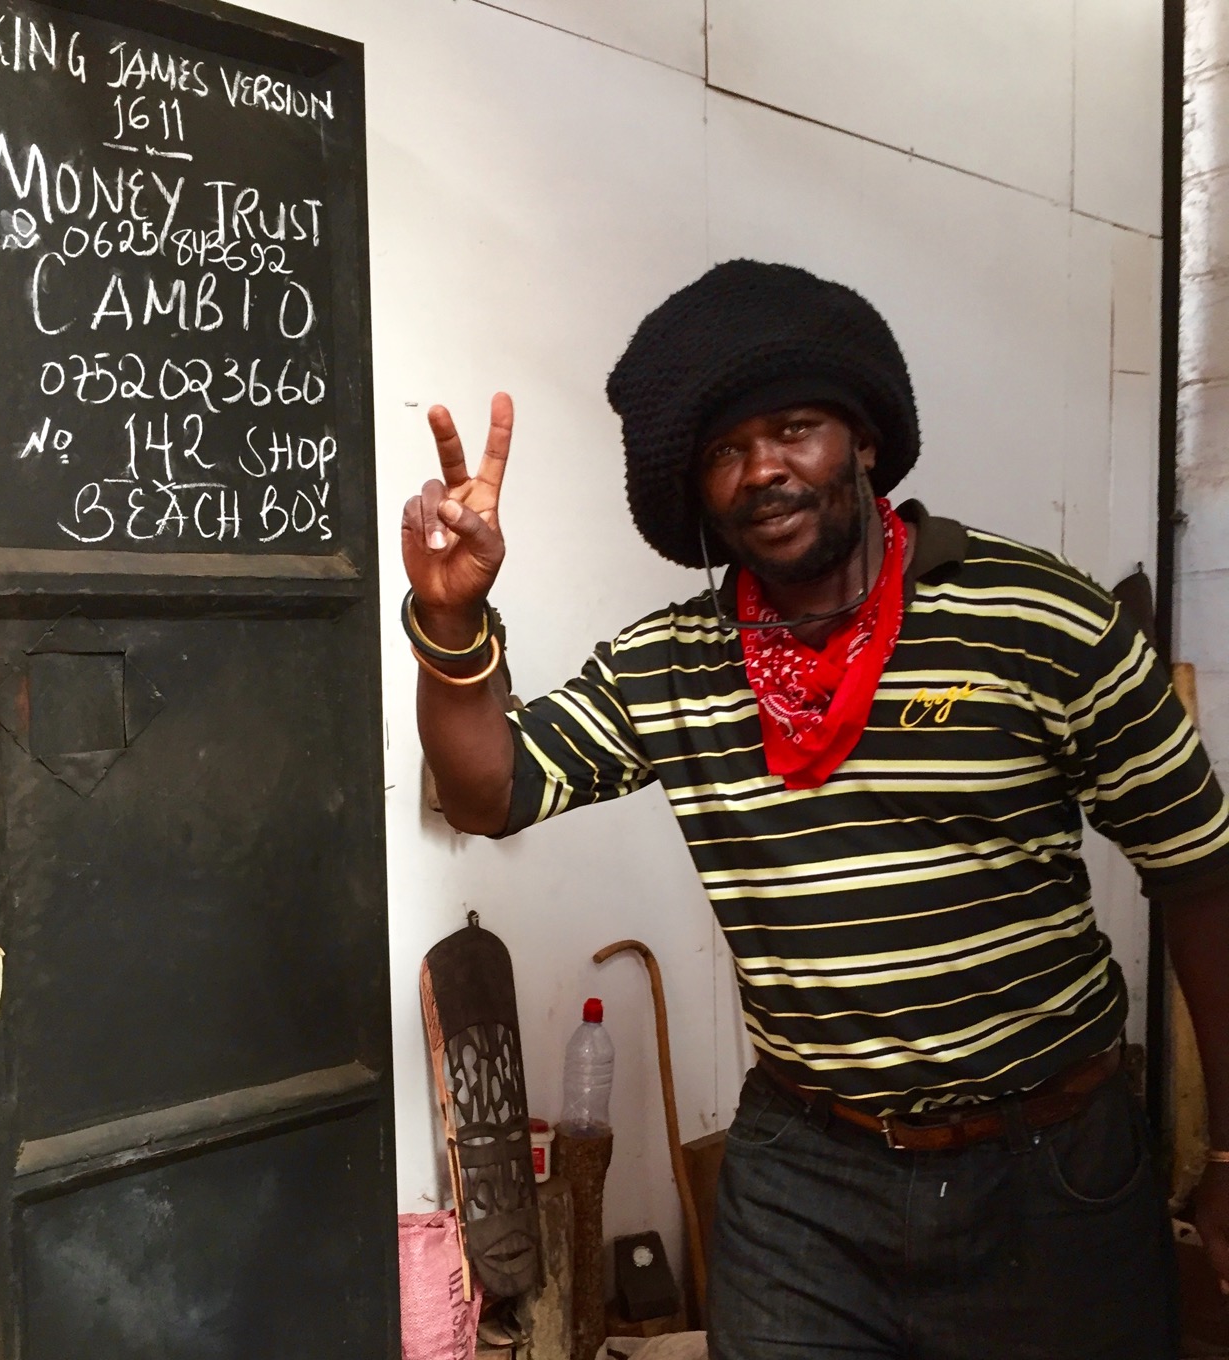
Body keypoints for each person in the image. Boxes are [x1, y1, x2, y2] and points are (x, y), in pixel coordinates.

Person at [401, 260, 1229, 1358]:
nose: (761, 471)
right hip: (806, 1184)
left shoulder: (1039, 620)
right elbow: (488, 788)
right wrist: (453, 624)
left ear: (865, 439)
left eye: (792, 429)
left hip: (1049, 1168)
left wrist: (1228, 1154)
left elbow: (1201, 876)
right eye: (724, 453)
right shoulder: (674, 666)